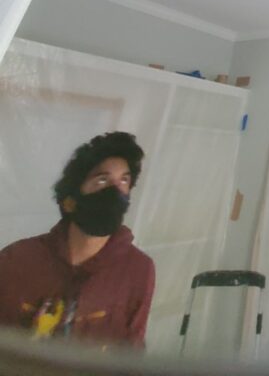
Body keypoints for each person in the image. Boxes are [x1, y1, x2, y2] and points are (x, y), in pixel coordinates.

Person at [0, 131, 155, 348]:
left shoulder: (138, 269)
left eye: (123, 180)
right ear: (71, 201)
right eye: (102, 179)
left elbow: (132, 352)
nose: (115, 190)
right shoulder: (16, 259)